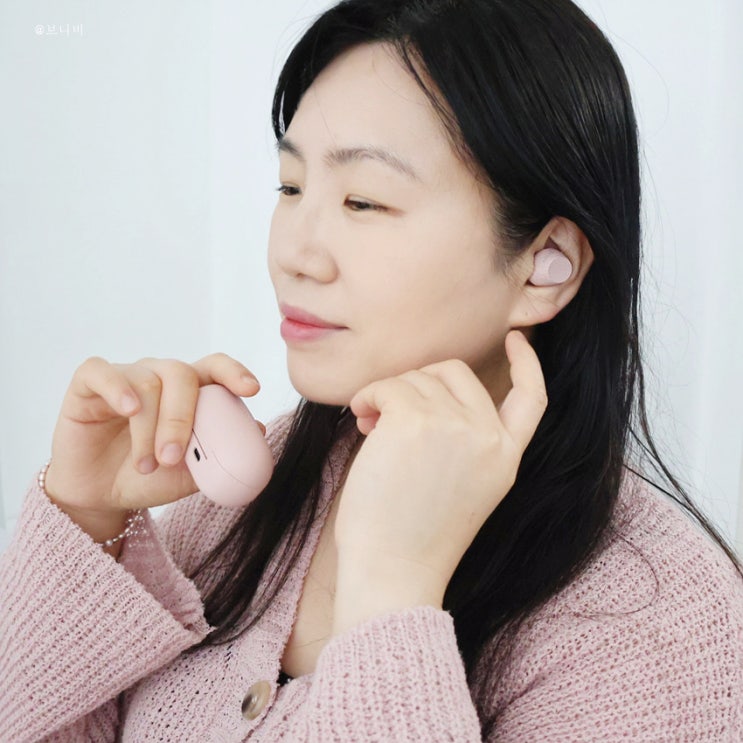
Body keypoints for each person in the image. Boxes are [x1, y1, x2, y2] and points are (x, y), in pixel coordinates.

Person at [1, 0, 741, 740]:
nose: (294, 254)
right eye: (290, 187)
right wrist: (88, 520)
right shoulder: (243, 501)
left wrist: (393, 590)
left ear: (546, 264)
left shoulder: (656, 622)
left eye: (363, 200)